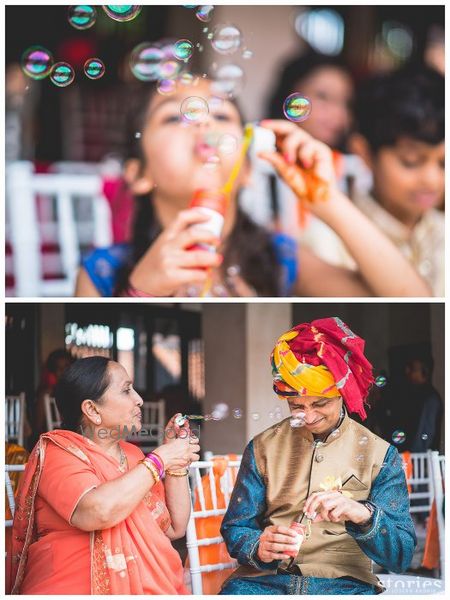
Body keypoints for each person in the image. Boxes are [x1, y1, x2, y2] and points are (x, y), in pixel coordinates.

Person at [75, 78, 429, 298]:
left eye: (222, 115)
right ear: (137, 173)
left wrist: (328, 199)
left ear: (246, 169)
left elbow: (416, 300)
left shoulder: (279, 258)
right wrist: (141, 292)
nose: (204, 123)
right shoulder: (103, 272)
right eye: (174, 116)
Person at [220, 317, 417, 595]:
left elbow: (402, 555)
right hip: (264, 583)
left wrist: (362, 514)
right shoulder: (262, 447)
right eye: (296, 406)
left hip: (345, 586)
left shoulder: (380, 454)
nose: (308, 417)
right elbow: (236, 528)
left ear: (343, 394)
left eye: (320, 403)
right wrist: (258, 545)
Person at [7, 356, 200, 594]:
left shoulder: (133, 455)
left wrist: (176, 466)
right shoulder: (58, 452)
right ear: (92, 409)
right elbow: (97, 511)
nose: (139, 400)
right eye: (126, 390)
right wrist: (160, 460)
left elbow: (175, 528)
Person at [302, 66, 445, 296]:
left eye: (443, 164)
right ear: (364, 153)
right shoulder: (325, 241)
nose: (433, 180)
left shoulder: (443, 229)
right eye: (411, 161)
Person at [33, 348, 73, 444]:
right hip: (52, 440)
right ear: (52, 371)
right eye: (59, 368)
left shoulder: (77, 390)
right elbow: (38, 426)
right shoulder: (46, 393)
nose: (63, 371)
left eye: (66, 367)